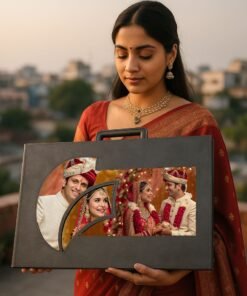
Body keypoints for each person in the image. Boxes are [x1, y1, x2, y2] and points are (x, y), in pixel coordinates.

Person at [73, 1, 247, 295]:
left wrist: (174, 273)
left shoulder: (195, 123)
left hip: (169, 286)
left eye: (145, 55)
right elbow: (74, 198)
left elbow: (216, 222)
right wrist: (41, 246)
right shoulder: (93, 117)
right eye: (121, 54)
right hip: (99, 280)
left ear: (171, 54)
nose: (131, 66)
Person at [36, 157, 97, 250]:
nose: (78, 187)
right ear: (64, 182)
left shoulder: (85, 215)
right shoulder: (42, 203)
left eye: (83, 185)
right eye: (75, 181)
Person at [160, 169, 196, 236]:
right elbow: (160, 222)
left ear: (179, 186)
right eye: (166, 185)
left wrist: (171, 233)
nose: (166, 188)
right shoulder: (164, 202)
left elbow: (193, 233)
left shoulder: (192, 205)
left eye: (169, 185)